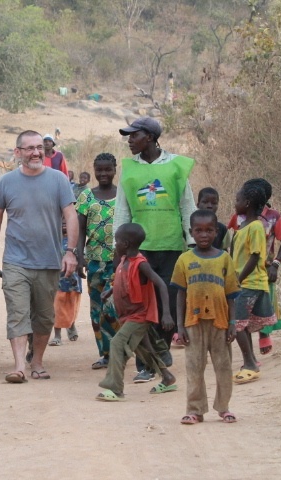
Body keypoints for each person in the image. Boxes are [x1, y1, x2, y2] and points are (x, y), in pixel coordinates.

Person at [0, 130, 78, 383]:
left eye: (39, 147)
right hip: (16, 261)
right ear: (18, 153)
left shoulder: (58, 180)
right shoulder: (6, 182)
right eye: (29, 148)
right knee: (17, 311)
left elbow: (70, 215)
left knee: (44, 315)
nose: (36, 152)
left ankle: (36, 361)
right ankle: (19, 367)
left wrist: (70, 251)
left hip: (49, 260)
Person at [115, 116, 196, 381]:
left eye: (134, 135)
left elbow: (187, 206)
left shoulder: (176, 166)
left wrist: (192, 243)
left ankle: (161, 349)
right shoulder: (128, 169)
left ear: (149, 137)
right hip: (139, 249)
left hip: (171, 245)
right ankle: (145, 362)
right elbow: (122, 210)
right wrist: (119, 248)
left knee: (167, 301)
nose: (129, 141)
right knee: (140, 304)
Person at [172, 210, 240, 424]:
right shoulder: (184, 259)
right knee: (194, 367)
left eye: (209, 230)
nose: (204, 235)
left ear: (216, 231)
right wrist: (179, 326)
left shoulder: (224, 259)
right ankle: (195, 410)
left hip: (220, 323)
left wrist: (232, 323)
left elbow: (231, 294)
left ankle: (224, 407)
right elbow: (180, 293)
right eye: (198, 230)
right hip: (193, 323)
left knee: (223, 366)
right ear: (191, 232)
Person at [95, 223, 177, 401]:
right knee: (145, 349)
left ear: (125, 243)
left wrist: (167, 314)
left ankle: (115, 388)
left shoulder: (141, 264)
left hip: (139, 316)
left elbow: (161, 284)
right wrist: (109, 291)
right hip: (127, 315)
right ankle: (167, 377)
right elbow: (123, 281)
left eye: (116, 241)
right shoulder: (124, 260)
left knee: (117, 344)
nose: (114, 244)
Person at [226, 178, 281, 356]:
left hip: (264, 268)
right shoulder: (240, 218)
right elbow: (231, 237)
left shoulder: (273, 216)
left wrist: (275, 265)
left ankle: (263, 337)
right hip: (243, 272)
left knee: (262, 305)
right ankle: (250, 355)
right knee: (247, 311)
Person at [230, 182, 276, 384]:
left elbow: (255, 256)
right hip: (243, 282)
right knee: (243, 325)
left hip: (250, 283)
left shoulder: (256, 227)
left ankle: (249, 364)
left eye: (238, 200)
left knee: (237, 324)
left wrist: (237, 280)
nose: (235, 203)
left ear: (247, 203)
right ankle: (251, 362)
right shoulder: (242, 227)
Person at [76, 153, 119, 369]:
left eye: (107, 169)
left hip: (118, 262)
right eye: (99, 170)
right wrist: (79, 257)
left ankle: (120, 349)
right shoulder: (86, 197)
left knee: (113, 307)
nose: (103, 174)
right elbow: (81, 229)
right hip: (93, 261)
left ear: (114, 169)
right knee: (97, 309)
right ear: (94, 170)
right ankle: (106, 353)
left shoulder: (123, 196)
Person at [48, 219, 83, 346]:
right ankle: (57, 336)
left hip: (73, 281)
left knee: (71, 305)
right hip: (57, 281)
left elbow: (82, 255)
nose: (63, 223)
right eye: (60, 219)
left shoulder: (76, 240)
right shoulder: (52, 239)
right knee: (57, 307)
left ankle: (71, 324)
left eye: (66, 220)